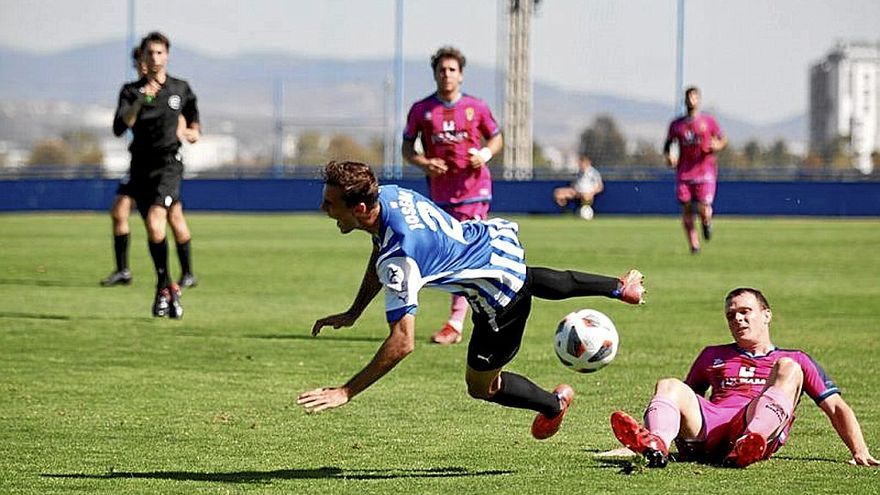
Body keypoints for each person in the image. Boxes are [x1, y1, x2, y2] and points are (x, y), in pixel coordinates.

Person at [297, 161, 646, 441]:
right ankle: (618, 287)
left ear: (359, 207)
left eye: (330, 204)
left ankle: (554, 404)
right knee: (524, 277)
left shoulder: (400, 256)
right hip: (491, 246)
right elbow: (378, 249)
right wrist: (354, 312)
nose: (323, 209)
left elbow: (402, 343)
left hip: (497, 302)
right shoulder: (388, 196)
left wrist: (346, 391)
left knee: (481, 387)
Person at [608, 287, 878, 468]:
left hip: (751, 424)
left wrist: (859, 450)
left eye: (744, 312)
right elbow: (679, 403)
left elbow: (835, 407)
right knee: (668, 384)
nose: (737, 320)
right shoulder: (712, 355)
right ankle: (656, 446)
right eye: (730, 316)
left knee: (788, 368)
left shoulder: (795, 359)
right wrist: (657, 432)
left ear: (766, 315)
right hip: (710, 429)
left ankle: (750, 441)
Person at [402, 46, 503, 346]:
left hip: (474, 191)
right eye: (441, 70)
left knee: (463, 253)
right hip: (441, 194)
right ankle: (486, 306)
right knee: (448, 254)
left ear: (461, 75)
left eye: (452, 70)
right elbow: (406, 148)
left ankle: (456, 322)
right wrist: (423, 162)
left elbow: (496, 137)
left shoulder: (477, 107)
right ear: (435, 74)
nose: (446, 74)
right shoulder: (422, 110)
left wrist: (484, 153)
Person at [112, 31, 201, 318]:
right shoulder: (130, 91)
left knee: (156, 220)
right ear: (143, 57)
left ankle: (170, 282)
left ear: (167, 55)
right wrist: (139, 102)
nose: (155, 58)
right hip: (140, 167)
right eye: (150, 53)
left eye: (160, 52)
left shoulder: (180, 88)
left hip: (169, 166)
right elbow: (119, 127)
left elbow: (193, 115)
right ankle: (166, 285)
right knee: (156, 229)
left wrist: (193, 131)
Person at [662, 86, 727, 254]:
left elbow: (723, 139)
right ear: (685, 100)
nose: (691, 100)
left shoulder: (708, 121)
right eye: (689, 97)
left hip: (705, 172)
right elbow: (668, 145)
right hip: (684, 173)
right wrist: (669, 156)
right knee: (686, 209)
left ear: (699, 100)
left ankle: (706, 222)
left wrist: (718, 145)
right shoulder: (677, 125)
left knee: (704, 208)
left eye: (694, 97)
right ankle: (694, 244)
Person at [553, 155, 603, 220]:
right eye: (580, 163)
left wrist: (592, 193)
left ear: (587, 163)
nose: (580, 165)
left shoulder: (593, 173)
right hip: (577, 191)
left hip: (588, 193)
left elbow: (600, 187)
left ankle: (585, 211)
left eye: (582, 163)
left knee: (585, 196)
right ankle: (566, 211)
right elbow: (574, 184)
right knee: (558, 193)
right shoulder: (579, 172)